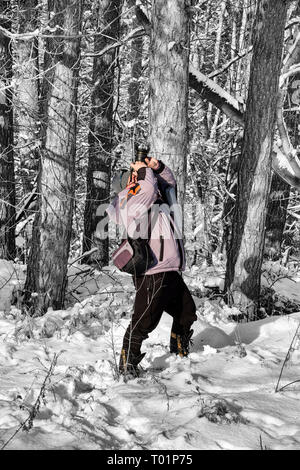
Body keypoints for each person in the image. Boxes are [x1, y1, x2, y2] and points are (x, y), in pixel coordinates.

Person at [106, 149, 197, 377]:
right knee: (144, 321)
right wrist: (142, 170)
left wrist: (157, 167)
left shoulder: (154, 198)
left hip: (169, 269)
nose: (140, 178)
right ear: (129, 184)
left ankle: (179, 354)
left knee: (186, 312)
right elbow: (146, 187)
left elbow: (169, 184)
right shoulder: (127, 200)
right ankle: (127, 365)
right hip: (152, 271)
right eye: (133, 176)